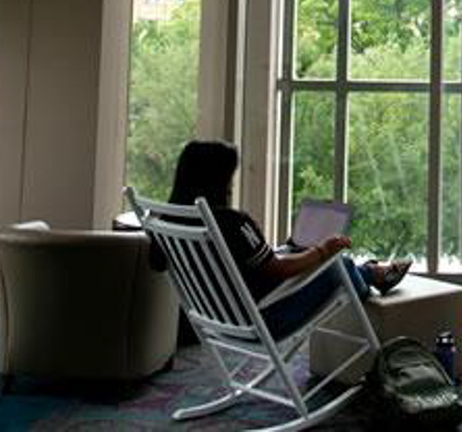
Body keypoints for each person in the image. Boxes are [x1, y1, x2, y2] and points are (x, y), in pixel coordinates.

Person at [155, 139, 410, 344]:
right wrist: (323, 250)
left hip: (212, 319)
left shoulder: (165, 221)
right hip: (263, 320)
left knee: (305, 257)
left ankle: (371, 273)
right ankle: (373, 275)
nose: (231, 184)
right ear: (217, 180)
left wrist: (290, 253)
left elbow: (157, 263)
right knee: (341, 267)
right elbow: (278, 269)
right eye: (229, 177)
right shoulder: (232, 222)